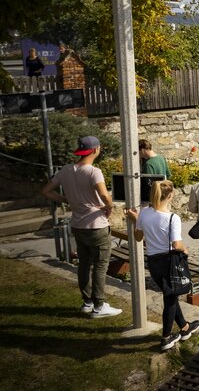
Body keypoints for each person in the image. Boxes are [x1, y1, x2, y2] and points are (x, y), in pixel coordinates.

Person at [41, 136, 122, 318]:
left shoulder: (66, 170)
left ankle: (87, 302)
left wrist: (65, 200)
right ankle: (99, 306)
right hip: (96, 225)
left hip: (78, 225)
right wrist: (109, 207)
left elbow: (46, 191)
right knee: (100, 266)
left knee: (84, 264)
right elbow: (104, 194)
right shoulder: (94, 172)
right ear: (95, 150)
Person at [126, 180, 199, 351]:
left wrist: (136, 220)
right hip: (169, 262)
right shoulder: (172, 218)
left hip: (153, 262)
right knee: (170, 299)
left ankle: (184, 327)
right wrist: (186, 249)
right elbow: (176, 244)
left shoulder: (144, 213)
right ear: (171, 196)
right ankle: (166, 338)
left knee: (171, 295)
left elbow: (138, 237)